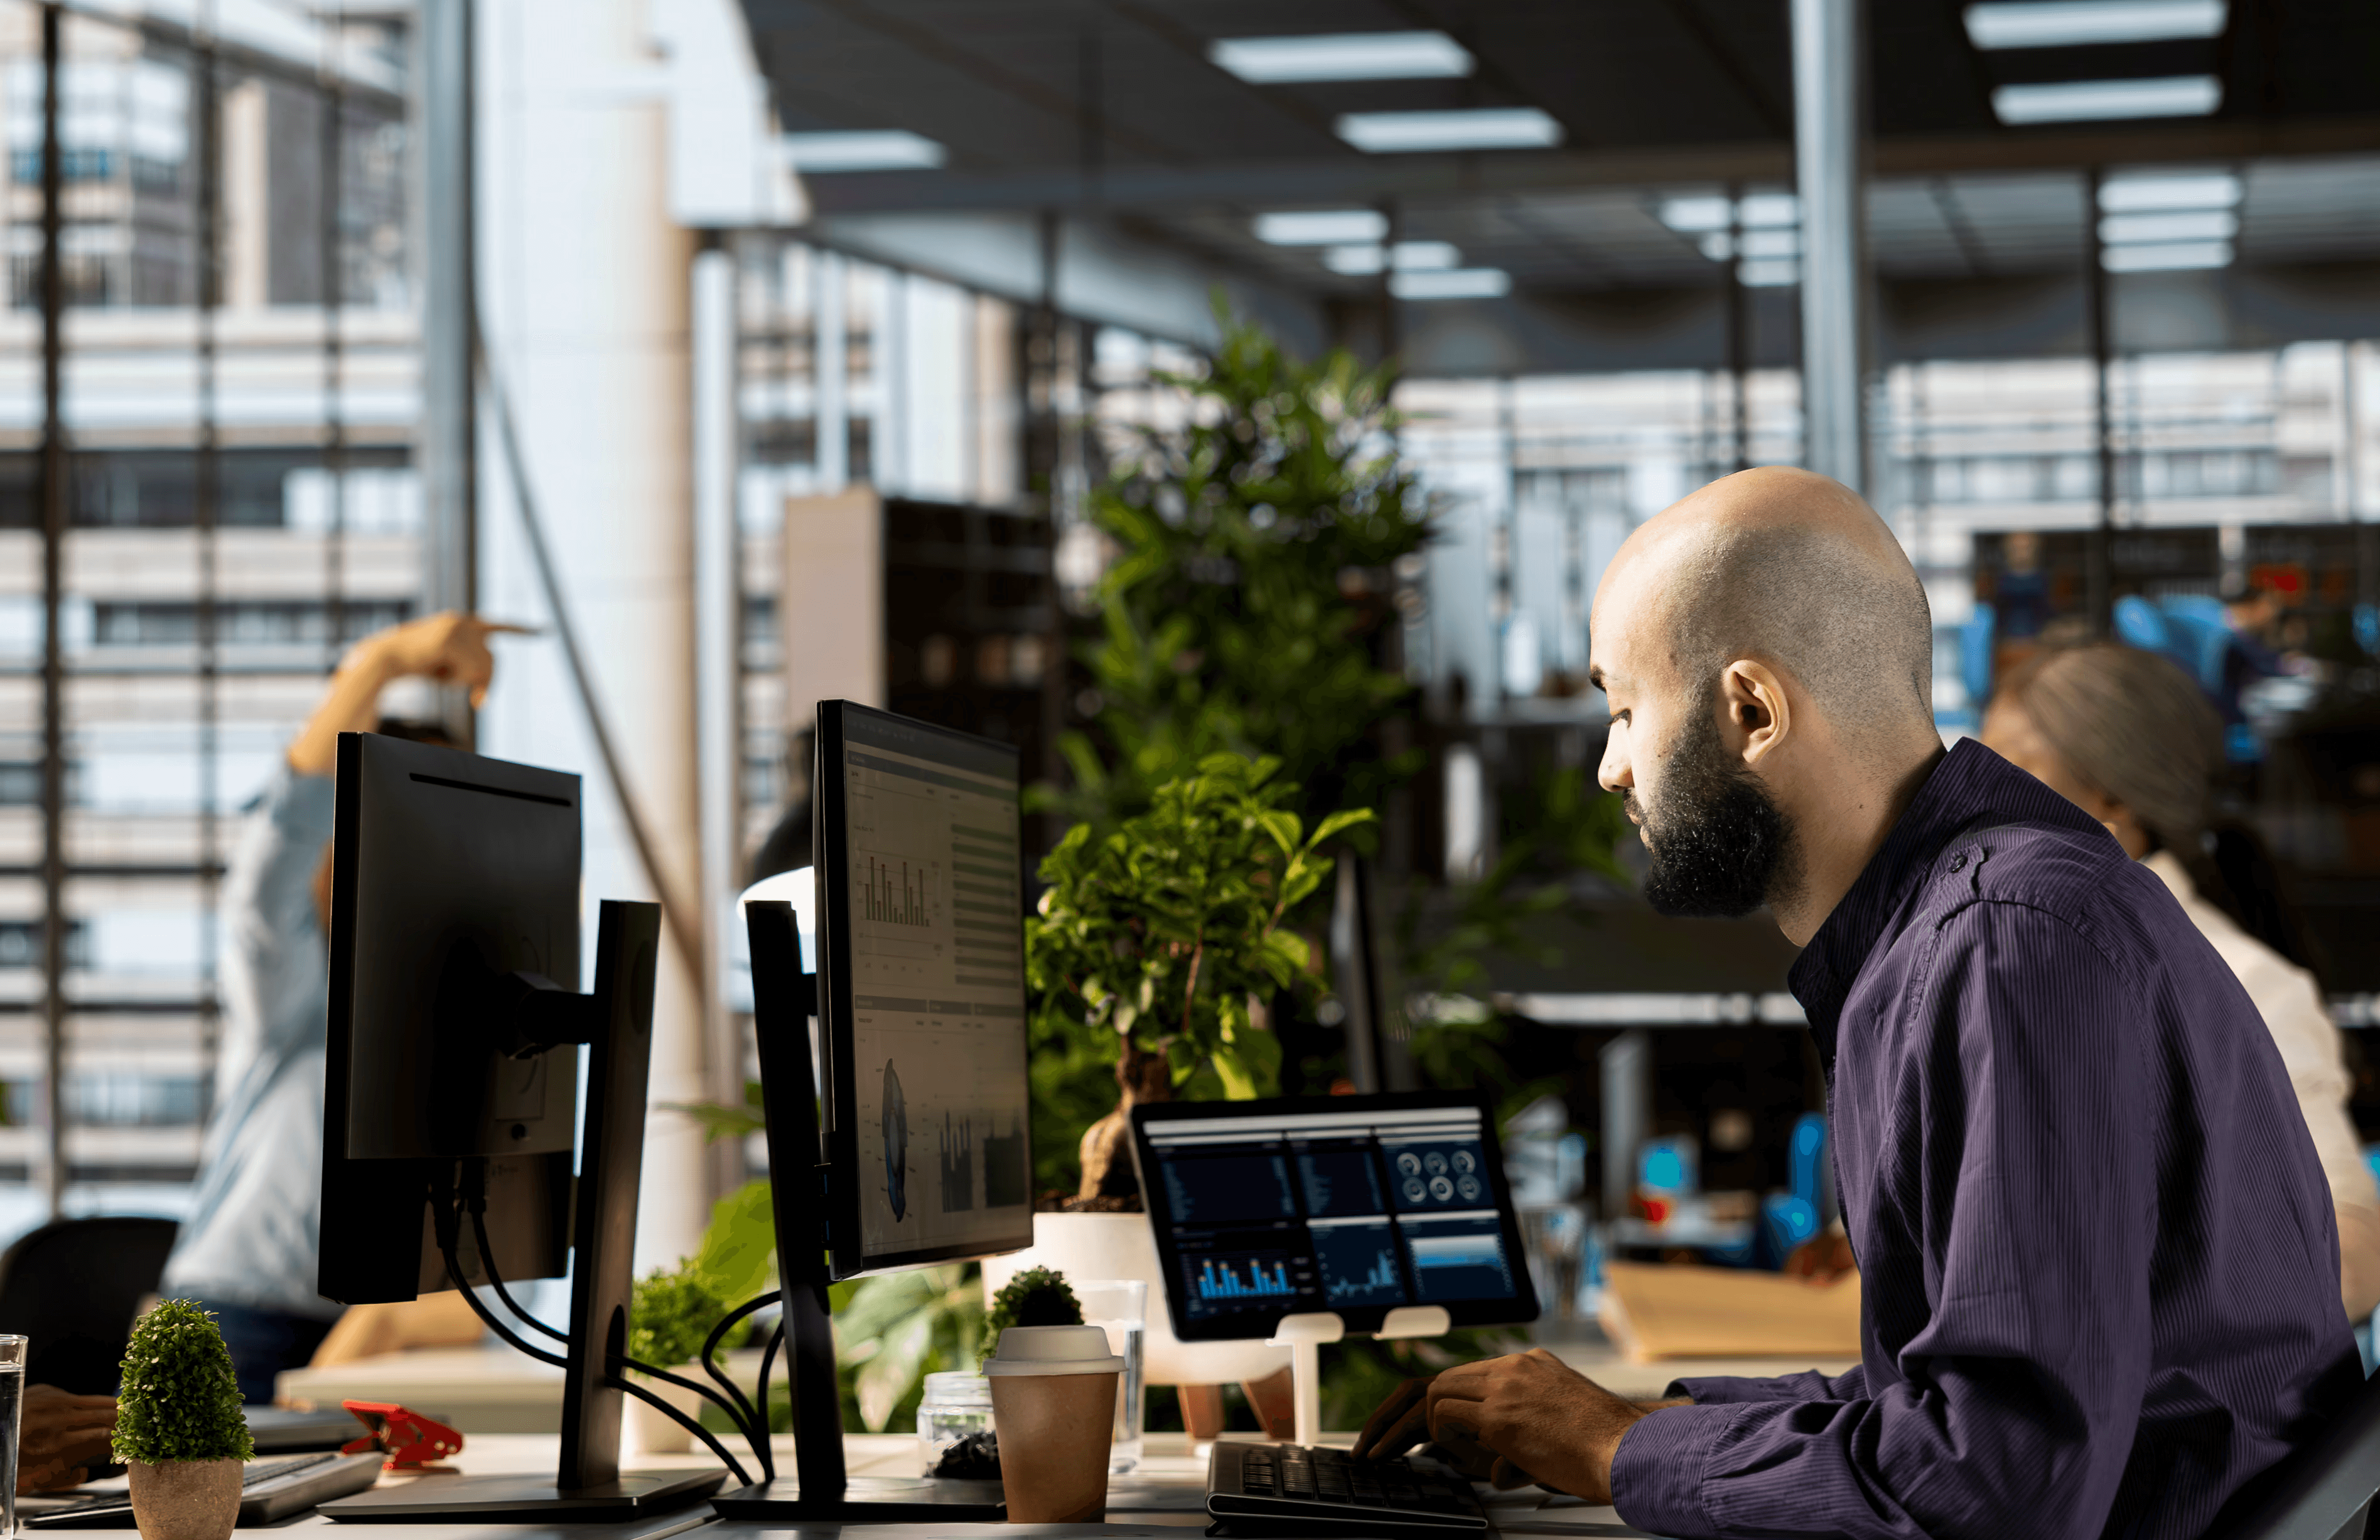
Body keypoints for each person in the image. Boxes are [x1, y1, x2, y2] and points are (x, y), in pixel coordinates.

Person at [1354, 466, 2359, 1540]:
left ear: (1751, 709)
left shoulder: (2006, 940)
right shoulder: (1949, 934)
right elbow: (1938, 1407)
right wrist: (1634, 1421)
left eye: (1626, 708)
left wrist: (1618, 1446)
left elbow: (2000, 1480)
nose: (1610, 768)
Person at [158, 613, 519, 1404]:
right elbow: (273, 857)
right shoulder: (296, 981)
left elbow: (491, 1249)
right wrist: (383, 663)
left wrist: (390, 1324)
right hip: (240, 1322)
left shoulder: (475, 1014)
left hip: (390, 1333)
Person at [1981, 642, 2380, 1320]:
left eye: (2013, 773)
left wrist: (2115, 1283)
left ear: (2111, 796)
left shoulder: (2246, 984)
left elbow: (2352, 1261)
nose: (1980, 807)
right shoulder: (1995, 961)